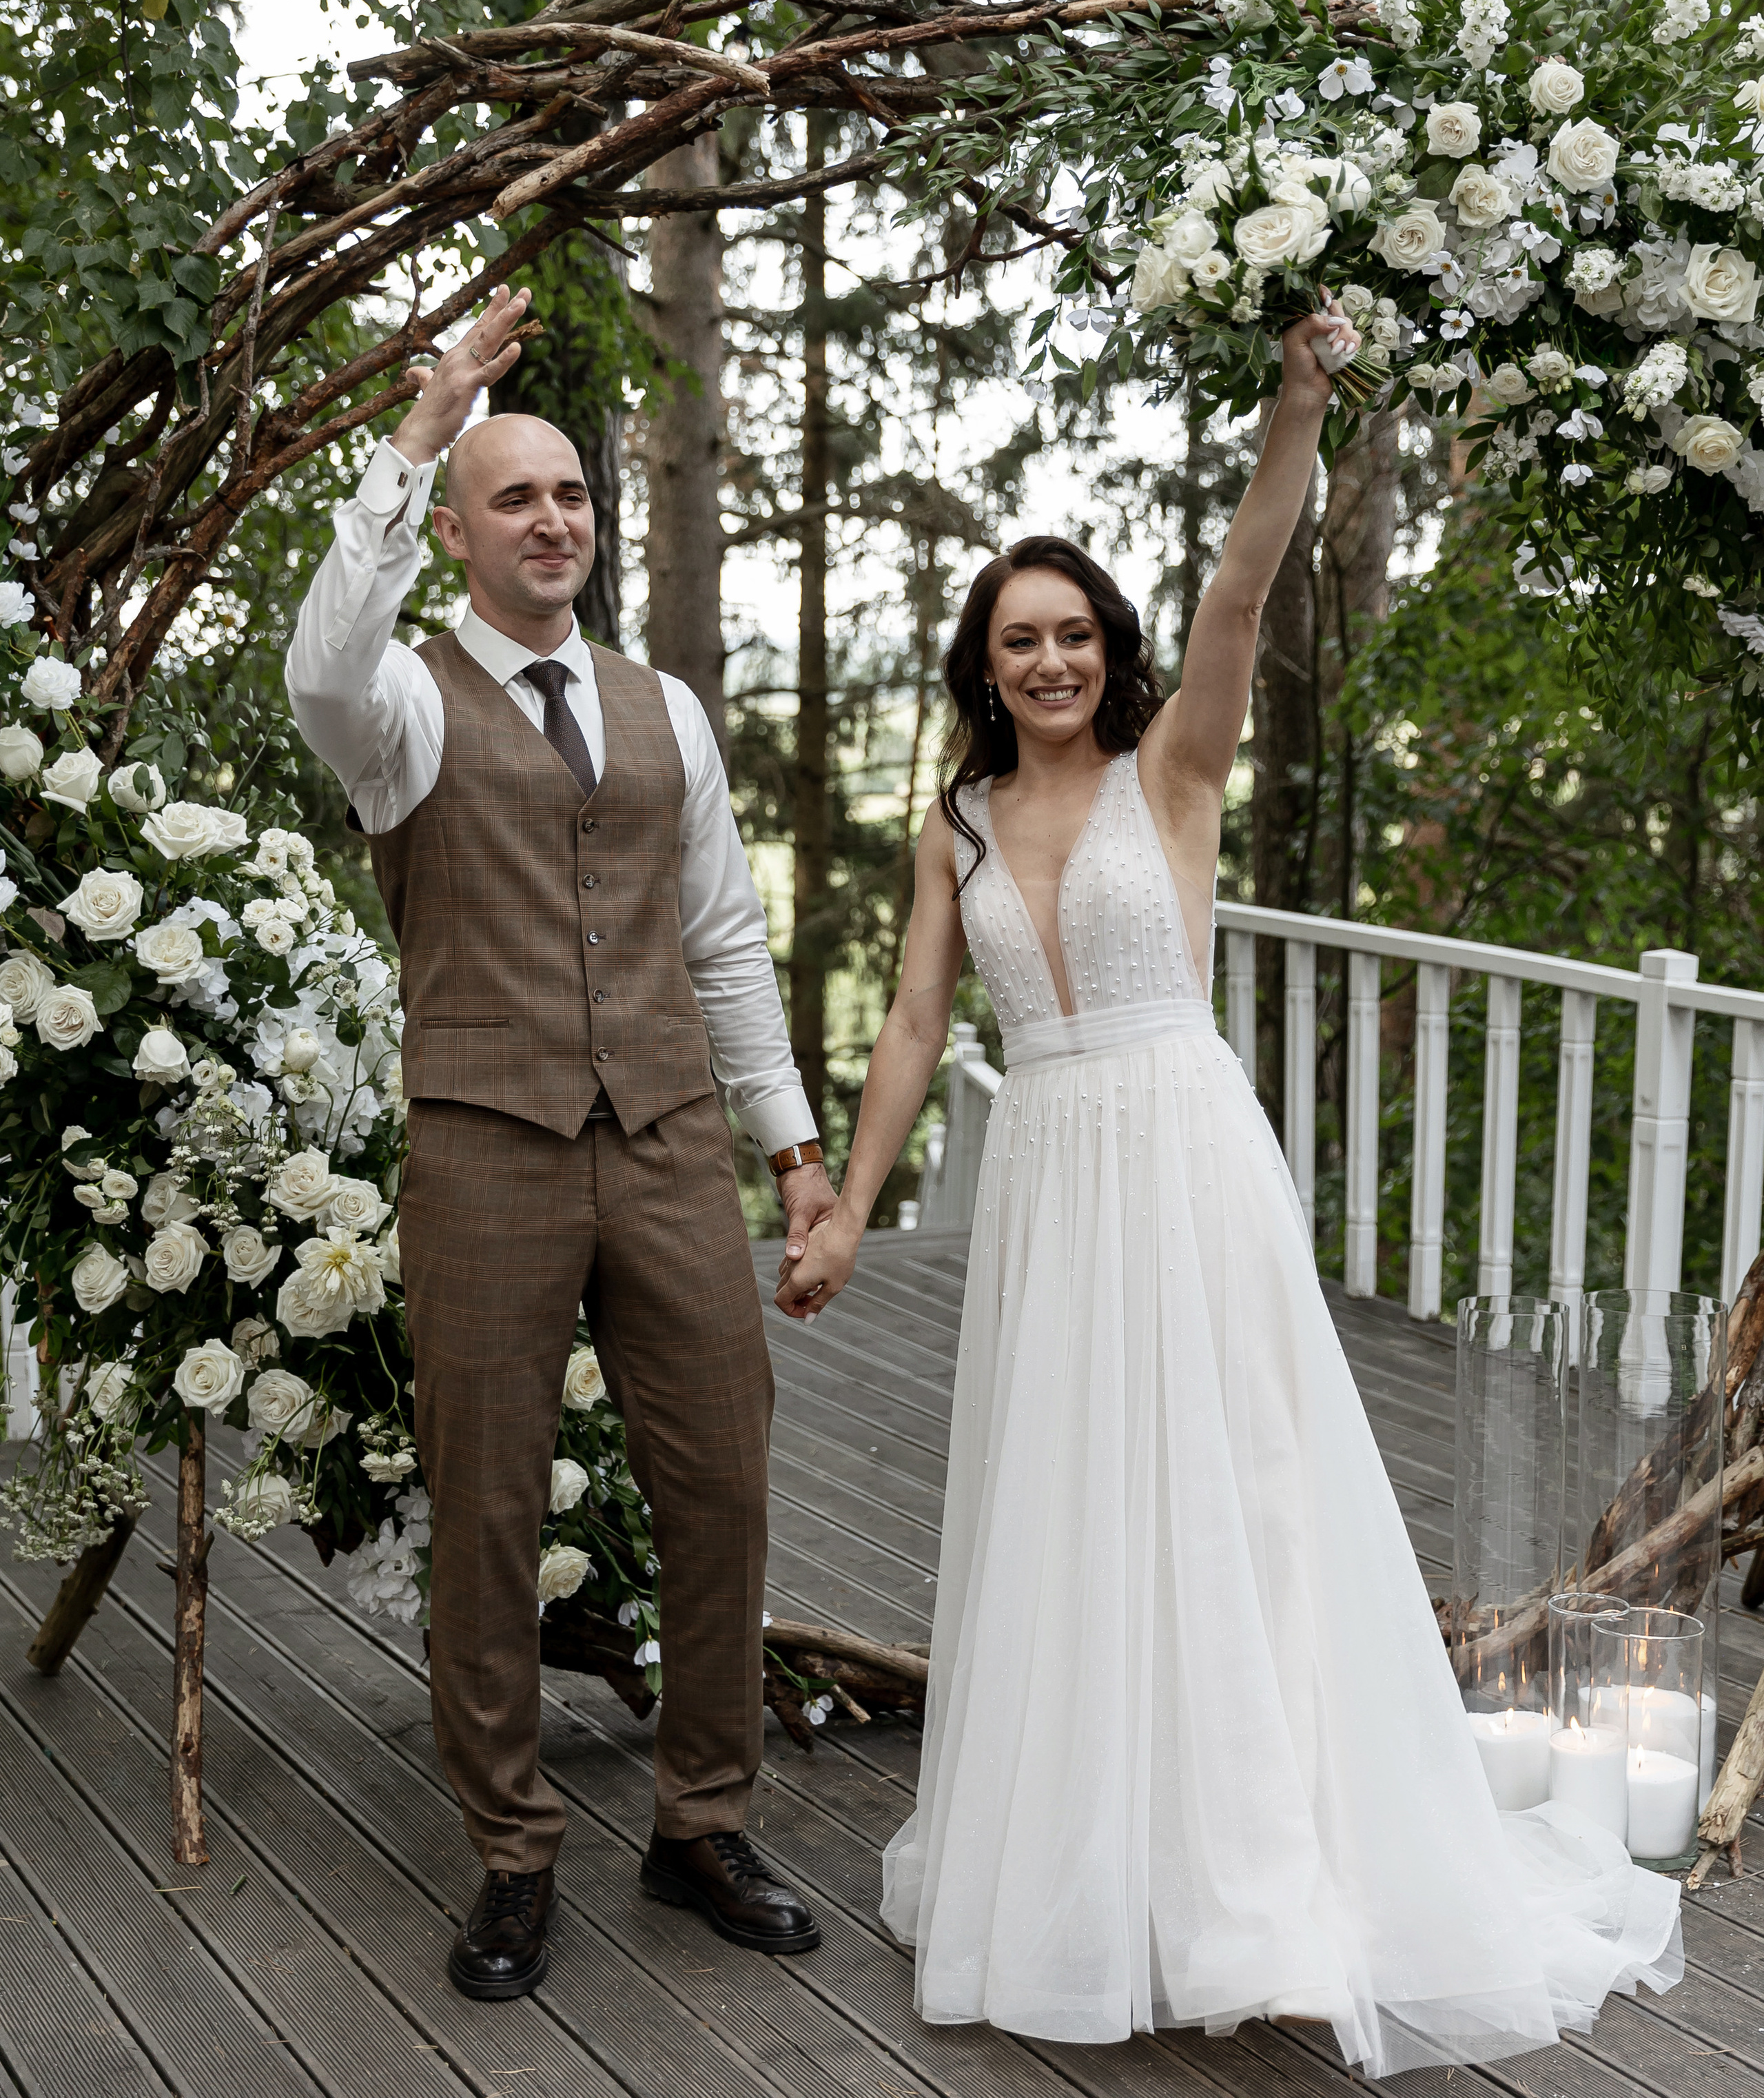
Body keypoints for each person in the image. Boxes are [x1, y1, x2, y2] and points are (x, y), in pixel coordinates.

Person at [773, 312, 1684, 2078]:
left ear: (1107, 648)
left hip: (1185, 1166)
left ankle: (1261, 1892)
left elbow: (1243, 596)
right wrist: (843, 1211)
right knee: (1071, 1510)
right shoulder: (955, 825)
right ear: (981, 668)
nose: (1046, 660)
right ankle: (1092, 1878)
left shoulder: (1169, 769)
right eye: (1013, 640)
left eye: (1069, 633)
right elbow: (906, 1022)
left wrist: (1297, 404)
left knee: (1228, 1501)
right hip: (1044, 1182)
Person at [287, 286, 831, 2000]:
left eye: (574, 495)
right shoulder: (405, 712)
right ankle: (513, 1850)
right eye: (513, 494)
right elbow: (316, 665)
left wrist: (794, 1156)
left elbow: (725, 940)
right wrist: (429, 414)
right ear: (455, 527)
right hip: (487, 1149)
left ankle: (699, 1824)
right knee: (492, 1511)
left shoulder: (662, 704)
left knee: (723, 1483)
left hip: (670, 1141)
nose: (553, 519)